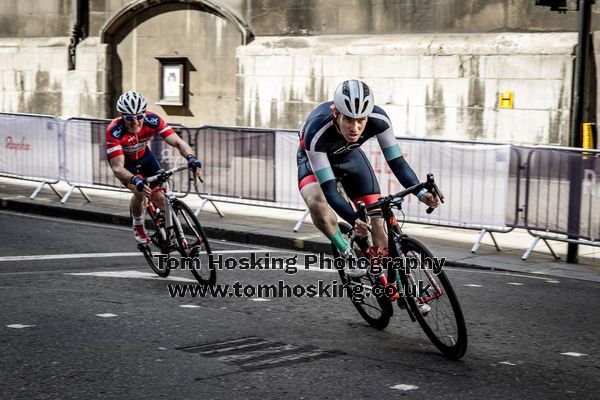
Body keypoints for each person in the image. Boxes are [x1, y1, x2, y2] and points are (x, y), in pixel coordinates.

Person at [297, 80, 439, 278]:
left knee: (378, 222)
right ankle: (345, 251)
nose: (355, 128)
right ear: (336, 114)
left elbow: (398, 163)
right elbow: (329, 189)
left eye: (360, 120)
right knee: (317, 202)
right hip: (313, 161)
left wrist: (421, 192)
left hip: (349, 157)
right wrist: (355, 219)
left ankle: (396, 283)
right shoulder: (317, 131)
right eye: (348, 120)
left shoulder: (379, 119)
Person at [105, 91, 202, 244]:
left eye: (139, 117)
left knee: (161, 198)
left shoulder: (152, 120)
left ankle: (166, 227)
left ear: (144, 114)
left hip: (145, 158)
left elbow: (178, 142)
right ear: (122, 116)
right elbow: (118, 168)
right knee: (140, 193)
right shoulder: (114, 131)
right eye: (129, 118)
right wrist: (134, 179)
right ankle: (138, 226)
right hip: (126, 165)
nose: (135, 122)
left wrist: (191, 158)